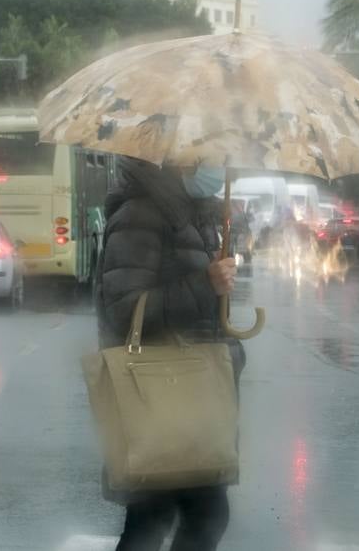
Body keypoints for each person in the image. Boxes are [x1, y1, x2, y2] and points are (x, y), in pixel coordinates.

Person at [96, 158, 242, 551]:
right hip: (157, 393)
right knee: (191, 515)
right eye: (206, 151)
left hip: (189, 393)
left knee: (167, 517)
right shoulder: (141, 214)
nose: (216, 162)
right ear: (177, 157)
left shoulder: (193, 213)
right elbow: (126, 312)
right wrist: (205, 283)